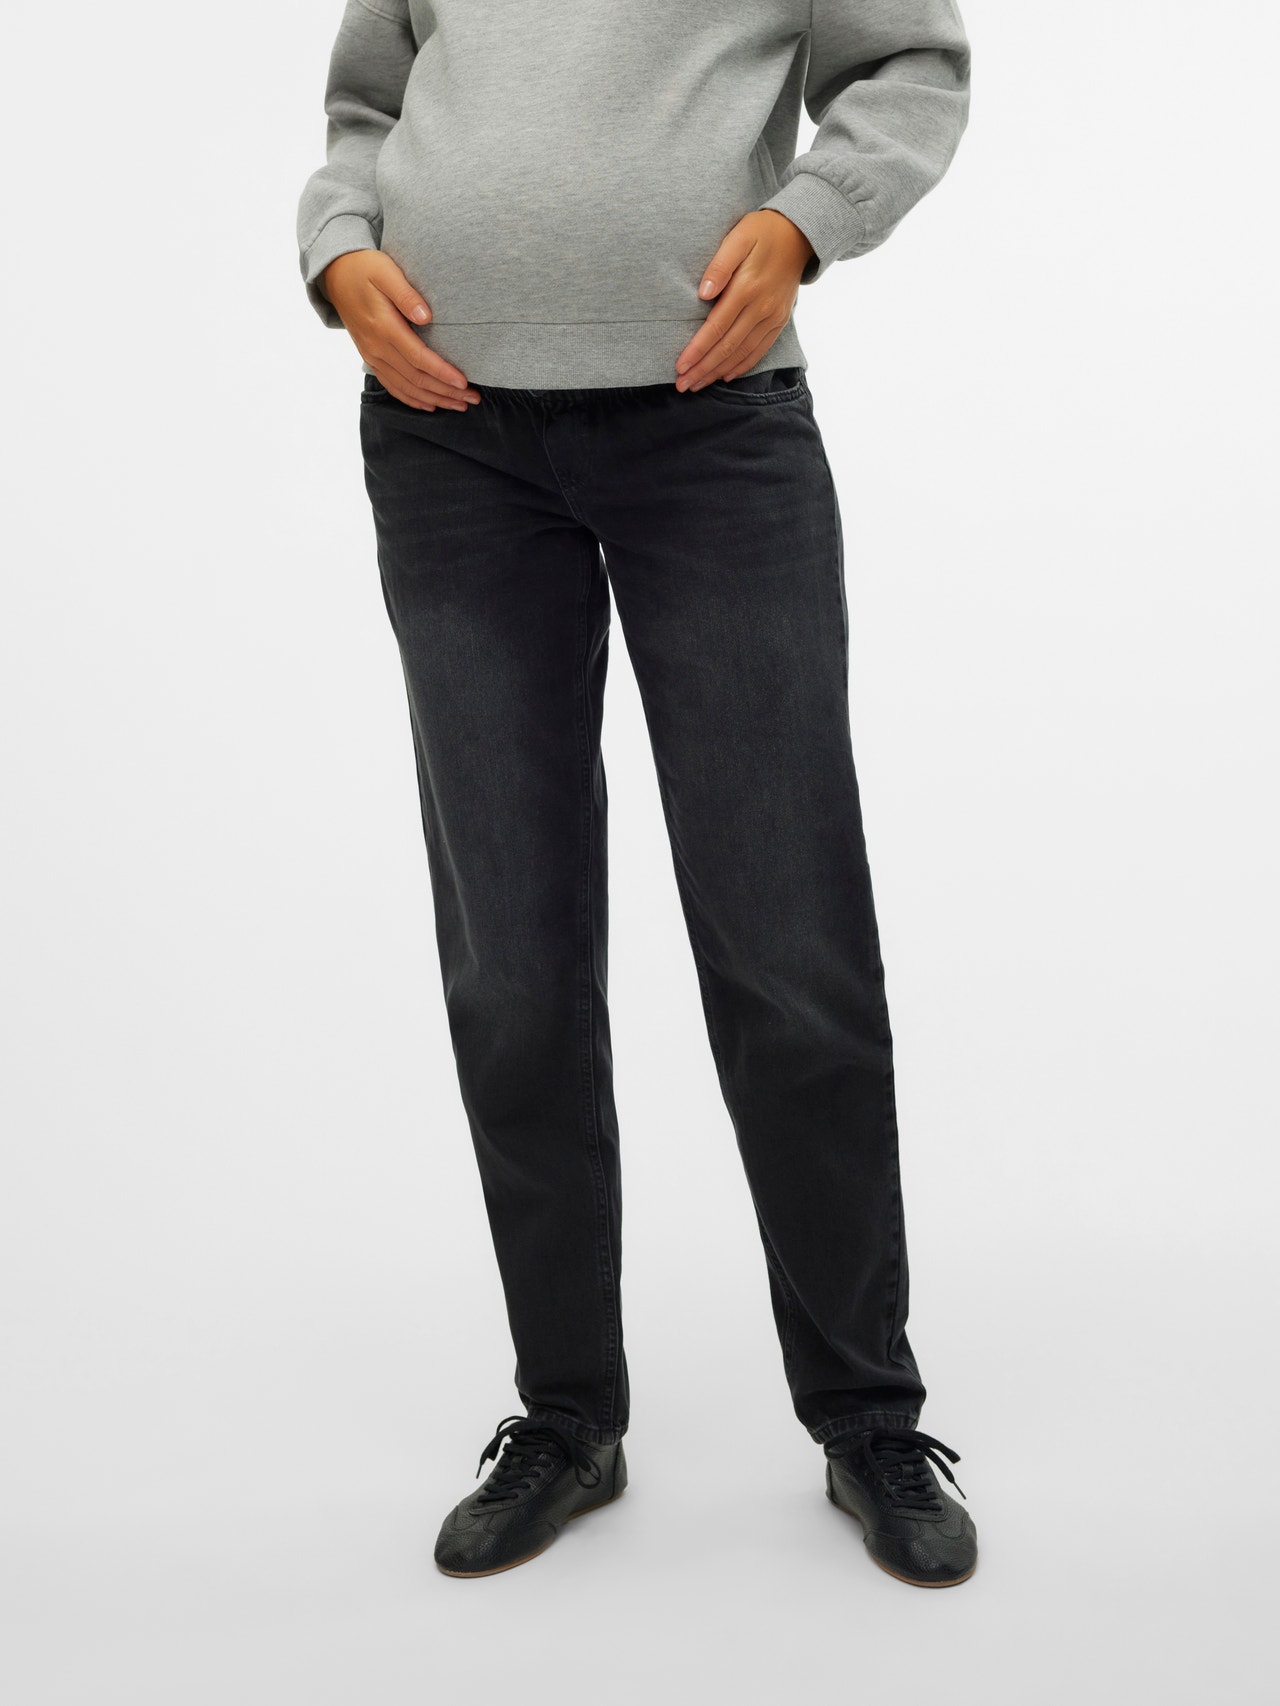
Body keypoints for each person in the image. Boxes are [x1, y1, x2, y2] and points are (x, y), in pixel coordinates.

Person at [296, 0, 976, 1587]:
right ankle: (566, 1414)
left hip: (708, 431)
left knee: (788, 946)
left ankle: (867, 1413)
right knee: (514, 958)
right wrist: (339, 253)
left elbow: (912, 63)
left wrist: (805, 221)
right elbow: (365, 108)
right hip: (448, 442)